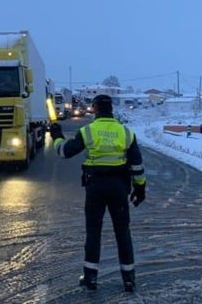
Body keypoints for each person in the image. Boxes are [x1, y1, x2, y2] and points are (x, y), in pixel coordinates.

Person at [49, 94, 146, 292]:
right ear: (112, 109)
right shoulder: (126, 132)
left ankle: (91, 278)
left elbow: (64, 152)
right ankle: (128, 279)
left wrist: (57, 135)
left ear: (94, 109)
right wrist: (140, 188)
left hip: (96, 187)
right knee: (122, 231)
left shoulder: (89, 131)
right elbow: (137, 164)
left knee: (94, 232)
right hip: (119, 187)